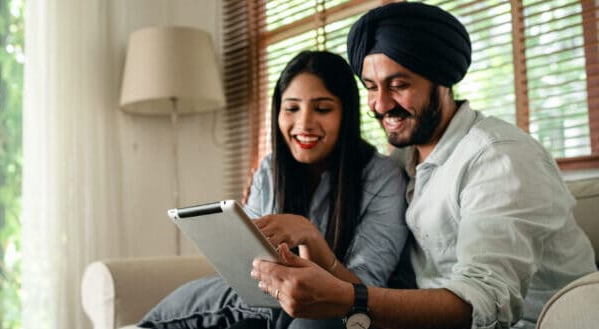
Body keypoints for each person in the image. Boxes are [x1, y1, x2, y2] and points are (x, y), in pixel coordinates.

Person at [251, 2, 597, 329]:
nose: (381, 104)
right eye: (371, 87)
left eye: (398, 85)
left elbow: (486, 303)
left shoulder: (500, 157)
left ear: (443, 80)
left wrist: (346, 298)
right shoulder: (402, 162)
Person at [137, 51, 410, 329]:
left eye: (323, 109)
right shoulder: (270, 171)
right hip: (273, 305)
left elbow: (363, 292)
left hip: (350, 316)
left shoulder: (382, 178)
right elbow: (249, 271)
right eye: (292, 109)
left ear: (346, 114)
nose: (303, 124)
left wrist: (309, 238)